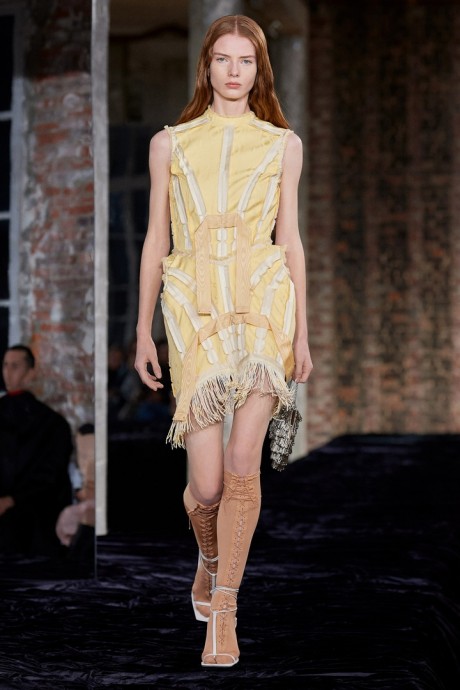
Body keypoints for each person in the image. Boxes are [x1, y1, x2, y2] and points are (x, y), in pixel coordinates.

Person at [135, 15, 313, 667]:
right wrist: (143, 330)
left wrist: (304, 333)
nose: (234, 71)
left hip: (264, 304)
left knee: (244, 462)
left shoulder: (282, 144)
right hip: (194, 309)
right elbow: (156, 240)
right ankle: (209, 561)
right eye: (223, 58)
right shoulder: (170, 144)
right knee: (206, 486)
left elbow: (290, 240)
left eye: (245, 60)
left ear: (257, 69)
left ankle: (226, 611)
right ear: (206, 65)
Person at [0, 344, 73, 557]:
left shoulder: (52, 423)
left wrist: (12, 499)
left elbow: (51, 474)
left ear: (31, 372)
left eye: (15, 366)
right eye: (5, 365)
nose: (8, 372)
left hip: (34, 522)